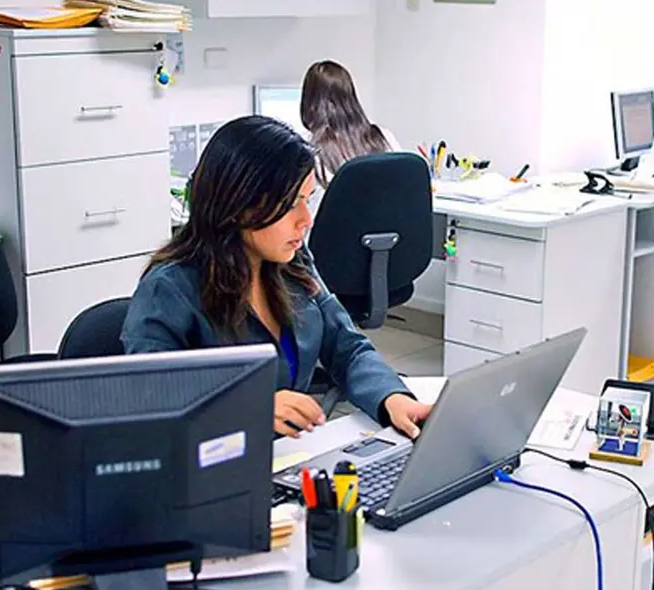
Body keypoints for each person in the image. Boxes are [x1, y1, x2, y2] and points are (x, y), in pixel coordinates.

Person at [120, 115, 432, 439]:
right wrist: (249, 406)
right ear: (240, 204)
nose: (306, 220)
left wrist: (392, 398)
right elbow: (149, 395)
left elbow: (346, 346)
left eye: (307, 201)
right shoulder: (170, 288)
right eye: (290, 205)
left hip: (285, 459)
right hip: (212, 470)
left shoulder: (292, 262)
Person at [299, 60, 402, 216]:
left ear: (310, 103)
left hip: (331, 238)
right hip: (386, 236)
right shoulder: (384, 137)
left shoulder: (308, 150)